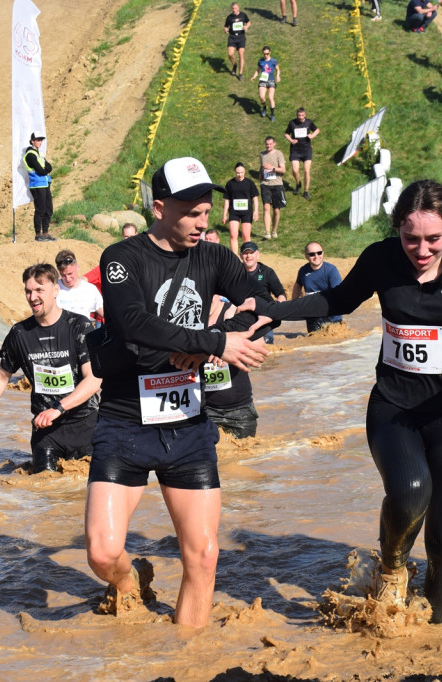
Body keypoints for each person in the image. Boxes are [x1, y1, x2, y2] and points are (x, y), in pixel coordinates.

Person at [257, 179, 442, 624]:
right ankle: (391, 568)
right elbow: (338, 300)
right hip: (394, 407)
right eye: (412, 239)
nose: (422, 249)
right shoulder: (381, 259)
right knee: (411, 493)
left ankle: (438, 640)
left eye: (434, 239)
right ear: (397, 230)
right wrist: (271, 311)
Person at [86, 156, 269, 628]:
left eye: (207, 212)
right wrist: (212, 342)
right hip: (125, 420)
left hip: (188, 426)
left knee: (204, 557)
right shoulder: (122, 257)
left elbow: (259, 305)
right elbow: (132, 323)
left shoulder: (214, 256)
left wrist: (218, 338)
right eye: (191, 212)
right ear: (160, 207)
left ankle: (188, 661)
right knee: (103, 553)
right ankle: (132, 584)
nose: (202, 222)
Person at [0, 264, 102, 473]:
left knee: (82, 496)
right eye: (28, 291)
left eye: (39, 290)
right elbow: (1, 377)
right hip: (45, 431)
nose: (33, 297)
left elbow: (94, 380)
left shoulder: (79, 326)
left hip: (85, 427)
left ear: (56, 291)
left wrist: (58, 408)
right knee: (45, 493)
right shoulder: (20, 333)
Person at [204, 297, 261, 438]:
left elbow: (260, 346)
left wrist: (229, 341)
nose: (208, 298)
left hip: (239, 410)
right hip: (204, 410)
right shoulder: (188, 316)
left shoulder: (233, 311)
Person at [291, 241, 343, 333]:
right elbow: (298, 286)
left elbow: (339, 294)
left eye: (319, 253)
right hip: (312, 316)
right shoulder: (303, 271)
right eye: (312, 254)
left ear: (323, 253)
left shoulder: (331, 270)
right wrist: (294, 304)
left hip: (332, 316)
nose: (316, 257)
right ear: (306, 256)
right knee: (314, 343)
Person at [241, 241, 286, 344]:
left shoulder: (267, 272)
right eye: (245, 253)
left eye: (251, 253)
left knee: (266, 342)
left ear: (257, 255)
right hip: (242, 315)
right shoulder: (236, 272)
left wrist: (275, 312)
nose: (248, 256)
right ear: (241, 255)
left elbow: (281, 295)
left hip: (263, 315)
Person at [84, 223, 138, 293]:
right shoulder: (117, 252)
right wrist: (85, 279)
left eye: (131, 236)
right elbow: (103, 268)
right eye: (126, 237)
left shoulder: (143, 252)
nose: (129, 240)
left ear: (137, 235)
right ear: (122, 237)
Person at [55, 249, 104, 324]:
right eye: (63, 275)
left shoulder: (90, 290)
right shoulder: (53, 289)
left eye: (70, 273)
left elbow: (103, 312)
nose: (68, 279)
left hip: (83, 333)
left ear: (78, 267)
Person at [23, 131, 56, 242]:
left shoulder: (39, 154)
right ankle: (38, 234)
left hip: (45, 183)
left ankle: (45, 233)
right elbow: (42, 171)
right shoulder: (30, 155)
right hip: (37, 185)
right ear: (32, 141)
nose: (40, 142)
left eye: (41, 140)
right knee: (40, 209)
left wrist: (45, 170)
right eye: (38, 140)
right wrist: (45, 170)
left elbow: (49, 167)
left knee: (48, 209)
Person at [222, 162, 260, 254]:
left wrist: (256, 211)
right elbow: (227, 200)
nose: (240, 175)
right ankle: (235, 258)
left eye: (242, 172)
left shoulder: (249, 183)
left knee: (246, 236)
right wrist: (224, 215)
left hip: (247, 212)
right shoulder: (230, 184)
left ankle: (248, 255)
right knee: (233, 235)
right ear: (235, 172)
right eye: (238, 173)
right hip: (234, 212)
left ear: (245, 171)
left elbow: (255, 198)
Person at [285, 107, 320, 200]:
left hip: (306, 150)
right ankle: (298, 184)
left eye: (302, 115)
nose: (301, 117)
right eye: (299, 115)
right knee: (295, 170)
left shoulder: (309, 122)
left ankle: (306, 191)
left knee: (306, 170)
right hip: (295, 150)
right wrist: (291, 140)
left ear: (305, 115)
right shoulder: (292, 123)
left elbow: (317, 130)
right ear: (296, 115)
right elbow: (286, 134)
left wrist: (312, 135)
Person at [258, 136, 287, 240]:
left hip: (277, 184)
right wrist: (260, 174)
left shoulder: (278, 154)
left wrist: (272, 168)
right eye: (267, 144)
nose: (268, 146)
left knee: (276, 210)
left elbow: (283, 170)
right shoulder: (262, 154)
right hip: (265, 184)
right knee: (266, 207)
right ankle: (267, 232)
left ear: (274, 143)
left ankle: (274, 230)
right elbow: (262, 166)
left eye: (270, 144)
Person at [251, 46, 281, 121]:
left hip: (271, 80)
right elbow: (257, 70)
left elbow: (278, 70)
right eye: (264, 54)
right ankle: (264, 108)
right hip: (263, 80)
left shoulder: (273, 61)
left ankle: (272, 114)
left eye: (267, 54)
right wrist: (254, 76)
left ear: (270, 52)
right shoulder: (260, 61)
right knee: (261, 97)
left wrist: (278, 76)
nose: (266, 55)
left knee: (270, 97)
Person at [223, 3, 251, 79]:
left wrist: (246, 26)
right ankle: (234, 65)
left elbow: (248, 22)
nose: (234, 10)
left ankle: (240, 74)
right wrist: (225, 29)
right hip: (232, 37)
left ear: (238, 8)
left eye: (235, 8)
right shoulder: (229, 17)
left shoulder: (243, 15)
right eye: (233, 8)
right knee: (230, 54)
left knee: (241, 54)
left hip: (241, 37)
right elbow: (225, 26)